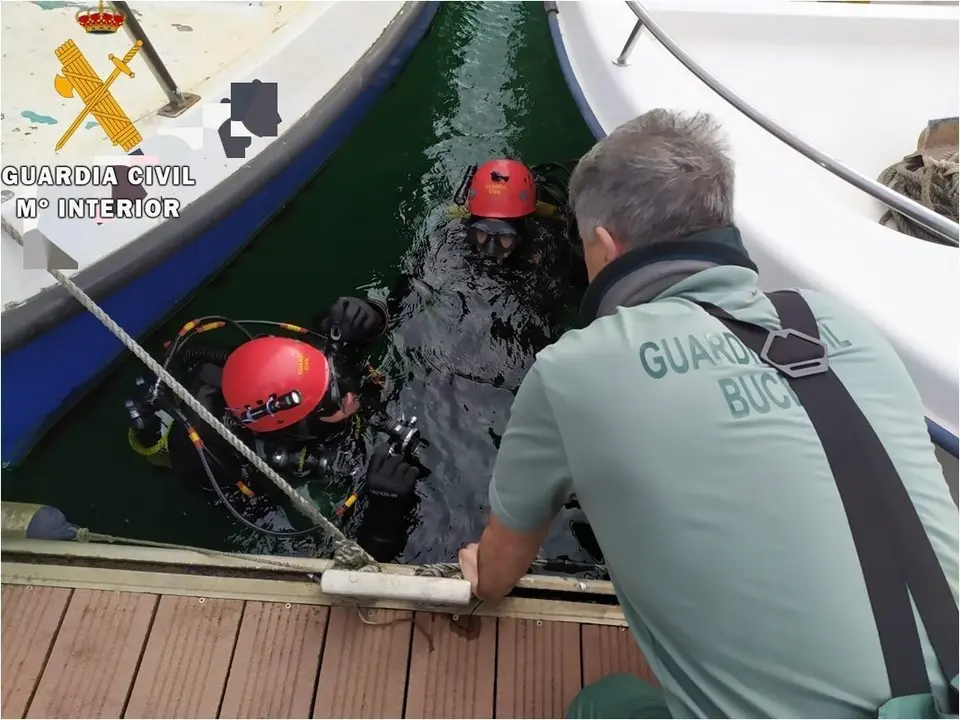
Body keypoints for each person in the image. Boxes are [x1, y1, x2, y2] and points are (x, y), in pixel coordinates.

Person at [457, 109, 959, 718]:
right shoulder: (840, 323)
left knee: (603, 702)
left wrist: (483, 574)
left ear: (607, 246)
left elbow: (498, 574)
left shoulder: (576, 369)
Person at [125, 294, 423, 561]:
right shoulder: (212, 456)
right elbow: (321, 557)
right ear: (289, 426)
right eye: (331, 401)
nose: (349, 397)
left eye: (332, 376)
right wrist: (385, 518)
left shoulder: (272, 369)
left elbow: (387, 310)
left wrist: (364, 314)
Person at [454, 157, 587, 290]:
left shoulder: (546, 245)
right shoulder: (458, 235)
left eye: (504, 236)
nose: (491, 249)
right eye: (482, 232)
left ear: (521, 233)